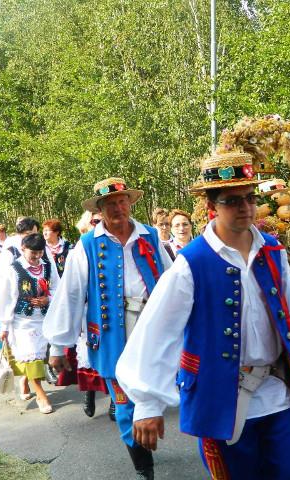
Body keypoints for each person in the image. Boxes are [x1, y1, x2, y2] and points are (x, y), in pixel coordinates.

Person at [116, 151, 290, 480]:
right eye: (232, 201)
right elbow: (158, 331)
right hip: (219, 398)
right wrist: (148, 403)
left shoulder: (272, 250)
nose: (245, 207)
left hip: (275, 392)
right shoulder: (191, 263)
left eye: (250, 198)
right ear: (212, 206)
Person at [43, 177, 173, 479]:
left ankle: (145, 440)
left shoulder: (150, 236)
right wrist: (58, 345)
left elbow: (172, 280)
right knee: (125, 404)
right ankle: (144, 467)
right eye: (110, 204)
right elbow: (71, 294)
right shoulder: (88, 245)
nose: (118, 208)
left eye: (122, 201)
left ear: (130, 203)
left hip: (152, 330)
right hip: (112, 336)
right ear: (99, 210)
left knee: (152, 396)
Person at [54, 211, 112, 419]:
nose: (99, 224)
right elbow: (70, 291)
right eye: (95, 221)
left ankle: (115, 400)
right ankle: (89, 393)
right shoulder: (81, 248)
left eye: (102, 220)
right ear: (87, 225)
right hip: (88, 312)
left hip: (112, 312)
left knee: (113, 352)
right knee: (90, 351)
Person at [0, 233, 59, 413]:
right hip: (22, 322)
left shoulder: (48, 266)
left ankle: (25, 379)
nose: (37, 257)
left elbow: (57, 287)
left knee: (43, 356)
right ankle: (41, 395)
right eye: (33, 253)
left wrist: (48, 299)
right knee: (32, 357)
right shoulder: (14, 269)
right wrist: (4, 326)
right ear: (23, 248)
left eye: (40, 253)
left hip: (45, 319)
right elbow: (7, 299)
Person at [0, 217, 41, 291]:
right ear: (20, 233)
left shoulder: (42, 249)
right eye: (28, 234)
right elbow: (3, 274)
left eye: (35, 234)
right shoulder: (11, 249)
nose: (32, 237)